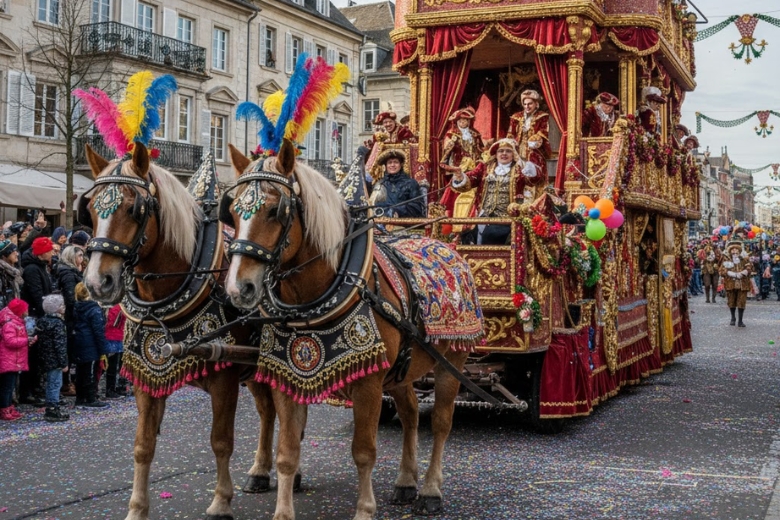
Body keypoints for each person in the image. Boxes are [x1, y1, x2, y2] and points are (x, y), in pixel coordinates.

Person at [451, 138, 543, 245]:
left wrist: (520, 161)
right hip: (485, 216)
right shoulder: (485, 168)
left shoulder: (519, 169)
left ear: (514, 154)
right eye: (501, 151)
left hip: (509, 218)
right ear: (496, 153)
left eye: (508, 151)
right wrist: (459, 176)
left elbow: (536, 178)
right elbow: (470, 180)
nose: (504, 153)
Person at [18, 236, 54, 406]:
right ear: (42, 253)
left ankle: (35, 387)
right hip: (33, 317)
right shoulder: (33, 269)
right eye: (50, 250)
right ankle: (28, 391)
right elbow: (36, 294)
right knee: (32, 355)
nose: (53, 252)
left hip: (40, 314)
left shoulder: (42, 267)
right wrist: (46, 311)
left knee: (37, 356)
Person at [52, 245, 84, 396]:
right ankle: (66, 383)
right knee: (68, 351)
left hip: (73, 317)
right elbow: (71, 299)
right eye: (79, 256)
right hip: (71, 318)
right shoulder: (69, 274)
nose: (82, 260)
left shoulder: (74, 272)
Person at [72, 282, 109, 408]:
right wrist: (103, 349)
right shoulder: (94, 309)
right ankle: (90, 397)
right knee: (90, 372)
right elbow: (98, 330)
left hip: (79, 341)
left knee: (80, 371)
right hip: (91, 343)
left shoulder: (76, 307)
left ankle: (80, 397)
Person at [35, 294, 69, 422]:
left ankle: (51, 406)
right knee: (55, 383)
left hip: (45, 357)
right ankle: (52, 408)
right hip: (55, 360)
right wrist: (64, 362)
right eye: (61, 305)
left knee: (51, 383)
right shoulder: (58, 324)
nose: (64, 307)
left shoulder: (42, 321)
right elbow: (60, 345)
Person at [0, 299, 36, 421]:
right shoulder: (10, 323)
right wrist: (26, 341)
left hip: (14, 360)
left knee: (10, 386)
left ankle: (9, 407)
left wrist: (28, 341)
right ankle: (5, 409)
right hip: (9, 360)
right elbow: (10, 341)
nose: (27, 311)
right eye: (25, 309)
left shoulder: (17, 322)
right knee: (7, 387)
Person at [507, 89, 551, 180]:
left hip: (535, 149)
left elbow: (543, 131)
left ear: (536, 104)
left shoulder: (542, 116)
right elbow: (511, 133)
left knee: (534, 173)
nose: (527, 106)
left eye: (530, 104)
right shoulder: (516, 117)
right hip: (518, 148)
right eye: (525, 104)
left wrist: (535, 139)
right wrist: (510, 142)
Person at [369, 149, 426, 218]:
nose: (392, 165)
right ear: (386, 166)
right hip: (380, 222)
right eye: (389, 163)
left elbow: (417, 207)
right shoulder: (379, 184)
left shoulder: (410, 183)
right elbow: (372, 205)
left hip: (402, 224)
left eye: (396, 162)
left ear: (401, 165)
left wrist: (397, 211)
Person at [440, 107, 484, 174]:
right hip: (458, 163)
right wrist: (452, 142)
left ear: (468, 121)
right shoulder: (451, 133)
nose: (462, 122)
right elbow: (447, 149)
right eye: (460, 120)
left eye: (464, 120)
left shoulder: (475, 133)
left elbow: (480, 148)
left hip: (473, 162)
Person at [719, 241, 753, 327]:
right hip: (730, 283)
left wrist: (743, 272)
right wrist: (731, 273)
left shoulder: (744, 259)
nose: (734, 251)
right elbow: (721, 271)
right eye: (732, 249)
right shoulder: (726, 259)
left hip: (743, 284)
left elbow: (750, 267)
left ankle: (740, 321)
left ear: (739, 250)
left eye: (736, 249)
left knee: (741, 302)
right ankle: (733, 318)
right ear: (730, 251)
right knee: (731, 301)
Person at [104, 303, 127, 399]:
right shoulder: (119, 307)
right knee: (113, 365)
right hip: (116, 337)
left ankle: (112, 388)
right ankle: (112, 389)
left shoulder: (111, 307)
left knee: (112, 365)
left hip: (112, 336)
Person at [0, 239, 23, 308]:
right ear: (4, 256)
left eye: (16, 251)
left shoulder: (15, 270)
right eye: (13, 252)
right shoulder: (2, 272)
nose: (17, 254)